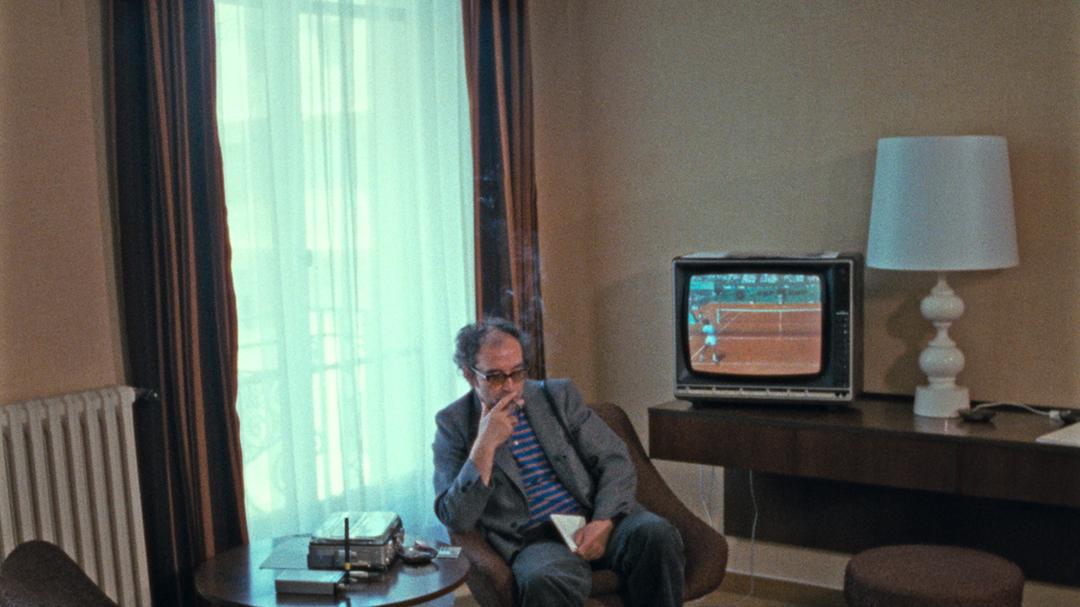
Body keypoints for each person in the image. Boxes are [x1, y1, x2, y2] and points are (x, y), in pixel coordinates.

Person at [432, 318, 685, 607]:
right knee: (543, 579)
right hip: (536, 540)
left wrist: (604, 520)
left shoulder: (556, 395)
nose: (510, 387)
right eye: (496, 377)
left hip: (594, 516)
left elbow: (614, 459)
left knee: (657, 534)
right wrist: (484, 445)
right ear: (469, 375)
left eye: (518, 372)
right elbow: (456, 518)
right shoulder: (453, 424)